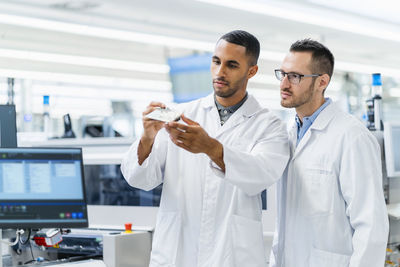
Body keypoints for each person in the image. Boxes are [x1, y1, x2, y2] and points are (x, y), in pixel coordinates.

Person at [121, 30, 289, 267]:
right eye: (216, 61)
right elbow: (139, 179)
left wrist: (211, 148)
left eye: (231, 65)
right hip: (177, 253)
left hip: (231, 255)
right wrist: (147, 137)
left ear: (251, 71)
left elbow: (260, 176)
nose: (220, 72)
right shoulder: (181, 115)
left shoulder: (269, 126)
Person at [269, 39, 389, 267]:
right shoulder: (287, 133)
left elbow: (371, 226)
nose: (284, 84)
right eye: (282, 74)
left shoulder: (352, 137)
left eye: (295, 76)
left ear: (322, 82)